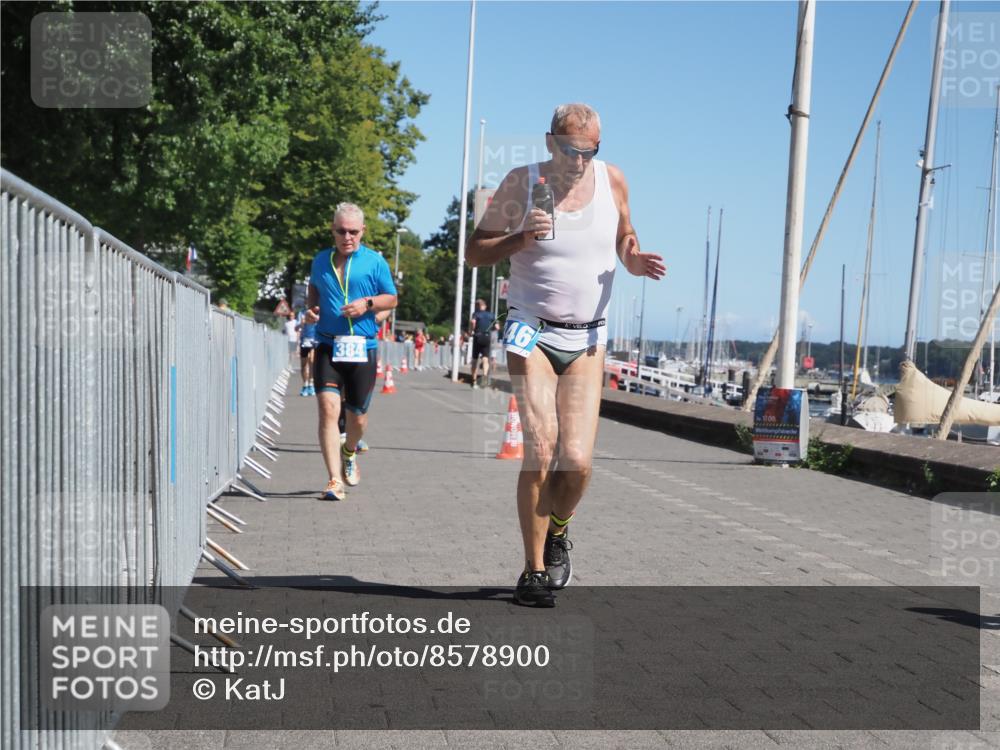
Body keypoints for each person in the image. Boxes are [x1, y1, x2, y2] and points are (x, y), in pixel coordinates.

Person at [466, 103, 665, 606]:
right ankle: (532, 573)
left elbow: (624, 234)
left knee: (575, 461)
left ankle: (558, 531)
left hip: (588, 340)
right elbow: (475, 251)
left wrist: (635, 259)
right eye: (573, 148)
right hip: (530, 332)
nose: (581, 159)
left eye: (591, 149)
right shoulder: (520, 182)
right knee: (541, 449)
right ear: (551, 141)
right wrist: (519, 237)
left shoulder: (613, 179)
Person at [304, 203, 397, 501]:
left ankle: (349, 451)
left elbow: (391, 299)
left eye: (353, 232)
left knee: (357, 417)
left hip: (362, 347)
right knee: (328, 410)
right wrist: (311, 310)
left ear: (363, 232)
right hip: (328, 343)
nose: (347, 237)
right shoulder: (320, 261)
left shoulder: (374, 262)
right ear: (333, 230)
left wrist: (367, 304)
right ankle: (334, 480)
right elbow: (313, 290)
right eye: (341, 231)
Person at [469, 299, 495, 388]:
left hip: (478, 336)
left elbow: (473, 322)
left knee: (475, 359)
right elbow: (497, 327)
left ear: (477, 306)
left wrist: (471, 330)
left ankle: (474, 381)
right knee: (485, 359)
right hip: (487, 337)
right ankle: (484, 377)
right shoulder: (491, 315)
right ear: (485, 306)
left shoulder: (476, 314)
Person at [297, 308, 319, 397]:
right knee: (304, 364)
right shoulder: (302, 312)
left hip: (315, 339)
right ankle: (305, 385)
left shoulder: (320, 310)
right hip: (305, 340)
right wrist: (303, 322)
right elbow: (298, 325)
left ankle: (311, 383)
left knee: (312, 360)